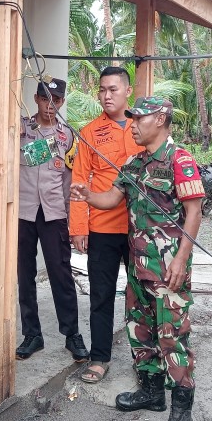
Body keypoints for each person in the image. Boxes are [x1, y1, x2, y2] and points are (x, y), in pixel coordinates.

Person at [71, 96, 204, 421]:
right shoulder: (133, 163)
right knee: (139, 331)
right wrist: (87, 196)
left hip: (168, 270)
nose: (132, 124)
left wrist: (181, 258)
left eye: (139, 118)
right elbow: (110, 200)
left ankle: (181, 409)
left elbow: (193, 212)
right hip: (138, 268)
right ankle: (151, 392)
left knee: (172, 336)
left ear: (160, 119)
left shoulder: (180, 160)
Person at [68, 66, 144, 383]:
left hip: (141, 228)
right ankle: (100, 358)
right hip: (102, 228)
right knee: (101, 297)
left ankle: (146, 361)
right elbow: (78, 181)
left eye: (113, 89)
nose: (106, 95)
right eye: (102, 90)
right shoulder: (89, 133)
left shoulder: (145, 126)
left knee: (142, 297)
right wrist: (78, 228)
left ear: (128, 91)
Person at [15, 78, 89, 363]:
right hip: (23, 212)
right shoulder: (20, 129)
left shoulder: (68, 137)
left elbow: (72, 179)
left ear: (61, 102)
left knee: (61, 275)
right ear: (36, 99)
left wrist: (74, 222)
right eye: (46, 99)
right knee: (25, 276)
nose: (50, 105)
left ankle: (72, 335)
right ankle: (32, 335)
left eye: (56, 100)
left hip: (54, 214)